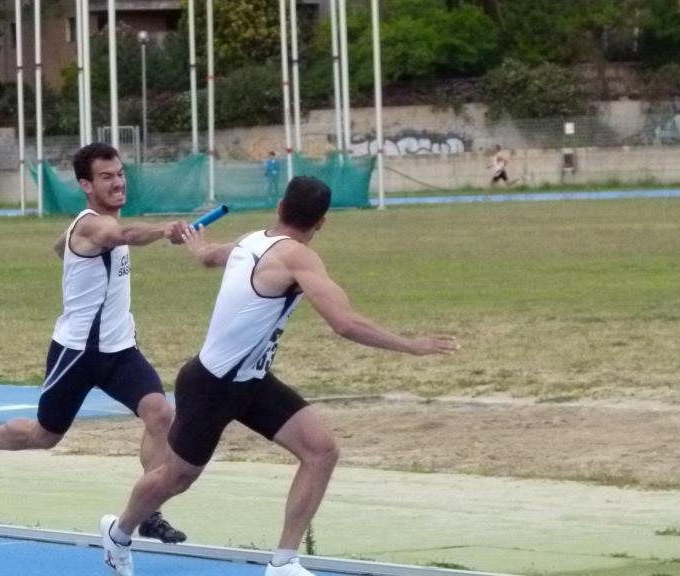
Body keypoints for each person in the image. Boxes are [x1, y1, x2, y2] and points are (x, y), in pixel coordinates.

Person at [99, 176, 460, 576]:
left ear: (281, 208)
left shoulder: (252, 240)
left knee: (321, 451)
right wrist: (411, 345)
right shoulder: (298, 258)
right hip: (211, 386)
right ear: (322, 222)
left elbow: (210, 256)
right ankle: (118, 532)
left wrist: (198, 247)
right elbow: (344, 323)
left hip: (251, 381)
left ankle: (284, 562)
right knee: (175, 477)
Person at [0, 143, 189, 544]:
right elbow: (123, 234)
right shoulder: (95, 226)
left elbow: (60, 246)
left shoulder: (88, 228)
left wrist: (76, 258)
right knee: (45, 435)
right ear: (86, 185)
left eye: (120, 174)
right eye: (106, 177)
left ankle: (150, 512)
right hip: (77, 353)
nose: (117, 182)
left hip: (120, 351)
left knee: (160, 414)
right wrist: (163, 230)